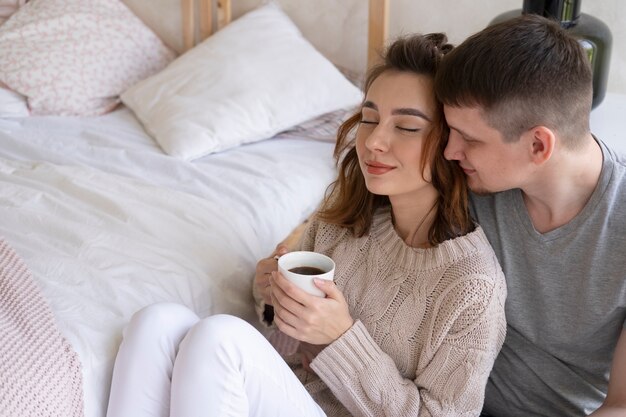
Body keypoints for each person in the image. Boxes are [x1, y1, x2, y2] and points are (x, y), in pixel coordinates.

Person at [106, 33, 507, 417]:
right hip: (292, 401)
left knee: (219, 340)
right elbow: (285, 350)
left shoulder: (472, 286)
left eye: (405, 127)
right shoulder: (343, 218)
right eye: (369, 119)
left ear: (450, 142)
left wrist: (342, 338)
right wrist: (273, 298)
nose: (373, 142)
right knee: (155, 323)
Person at [434, 13, 626, 417]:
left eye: (469, 138)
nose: (451, 151)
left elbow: (621, 406)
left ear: (539, 145)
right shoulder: (473, 182)